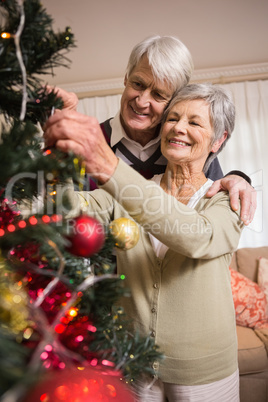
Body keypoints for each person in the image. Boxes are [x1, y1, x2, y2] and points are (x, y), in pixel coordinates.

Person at [45, 83, 243, 401]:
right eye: (173, 118)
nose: (178, 128)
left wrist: (110, 168)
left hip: (203, 374)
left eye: (194, 122)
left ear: (218, 140)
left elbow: (196, 236)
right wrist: (62, 141)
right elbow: (61, 208)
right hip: (134, 365)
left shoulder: (226, 198)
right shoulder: (128, 191)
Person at [49, 35, 256, 226]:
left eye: (158, 95)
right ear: (126, 77)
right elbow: (63, 209)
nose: (141, 101)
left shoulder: (182, 147)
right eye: (138, 84)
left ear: (175, 100)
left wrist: (239, 178)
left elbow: (214, 193)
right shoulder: (91, 139)